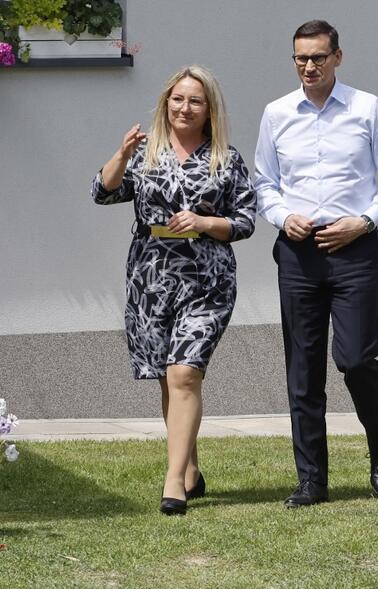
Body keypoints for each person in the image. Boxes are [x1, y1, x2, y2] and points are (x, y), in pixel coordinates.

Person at [254, 20, 378, 507]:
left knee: (356, 358)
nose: (309, 66)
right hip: (299, 253)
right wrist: (284, 217)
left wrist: (365, 220)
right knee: (303, 369)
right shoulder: (277, 113)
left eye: (319, 57)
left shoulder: (366, 108)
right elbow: (264, 184)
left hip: (354, 248)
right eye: (301, 58)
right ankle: (311, 479)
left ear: (337, 58)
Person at [91, 66, 257, 516]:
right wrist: (122, 154)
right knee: (169, 376)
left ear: (209, 110)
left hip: (207, 281)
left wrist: (204, 223)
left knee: (185, 373)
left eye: (195, 101)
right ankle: (190, 468)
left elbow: (245, 220)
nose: (185, 107)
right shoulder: (146, 153)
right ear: (167, 103)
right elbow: (102, 192)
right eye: (178, 99)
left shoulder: (226, 159)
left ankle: (173, 484)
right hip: (150, 279)